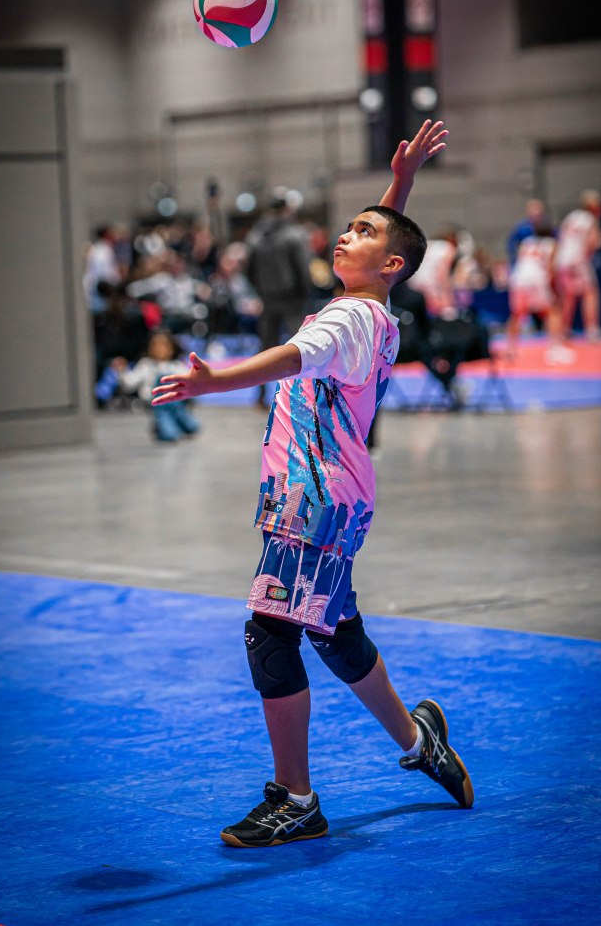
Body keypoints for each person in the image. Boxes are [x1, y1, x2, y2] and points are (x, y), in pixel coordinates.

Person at [153, 119, 474, 847]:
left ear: (389, 263)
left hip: (316, 500)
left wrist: (216, 380)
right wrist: (400, 185)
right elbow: (390, 245)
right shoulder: (373, 306)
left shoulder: (350, 317)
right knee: (333, 630)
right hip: (321, 497)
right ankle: (418, 740)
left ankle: (295, 799)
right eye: (349, 227)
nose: (346, 235)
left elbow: (294, 356)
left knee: (270, 634)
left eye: (362, 232)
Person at [245, 193, 313, 403]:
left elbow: (248, 270)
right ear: (286, 209)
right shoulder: (294, 233)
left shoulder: (256, 235)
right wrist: (305, 293)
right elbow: (303, 268)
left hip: (268, 297)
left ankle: (260, 395)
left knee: (265, 348)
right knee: (301, 347)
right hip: (292, 299)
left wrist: (260, 291)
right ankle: (305, 395)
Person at [114, 330, 200, 442]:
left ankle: (176, 423)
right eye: (155, 345)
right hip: (157, 405)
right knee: (169, 435)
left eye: (163, 345)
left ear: (171, 348)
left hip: (177, 404)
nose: (159, 349)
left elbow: (189, 383)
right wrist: (122, 371)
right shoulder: (146, 365)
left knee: (192, 427)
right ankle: (164, 426)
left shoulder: (177, 365)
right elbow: (129, 384)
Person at [506, 228, 573, 364]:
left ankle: (511, 349)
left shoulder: (526, 242)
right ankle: (555, 350)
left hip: (518, 280)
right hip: (536, 280)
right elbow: (551, 268)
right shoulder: (552, 244)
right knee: (553, 311)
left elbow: (520, 261)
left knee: (517, 314)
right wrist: (555, 290)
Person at [553, 190, 601, 340]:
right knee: (590, 293)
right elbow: (591, 243)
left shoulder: (571, 217)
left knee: (568, 296)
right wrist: (599, 241)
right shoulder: (590, 220)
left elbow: (560, 239)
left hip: (563, 261)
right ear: (594, 207)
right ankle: (592, 330)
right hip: (578, 261)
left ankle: (564, 331)